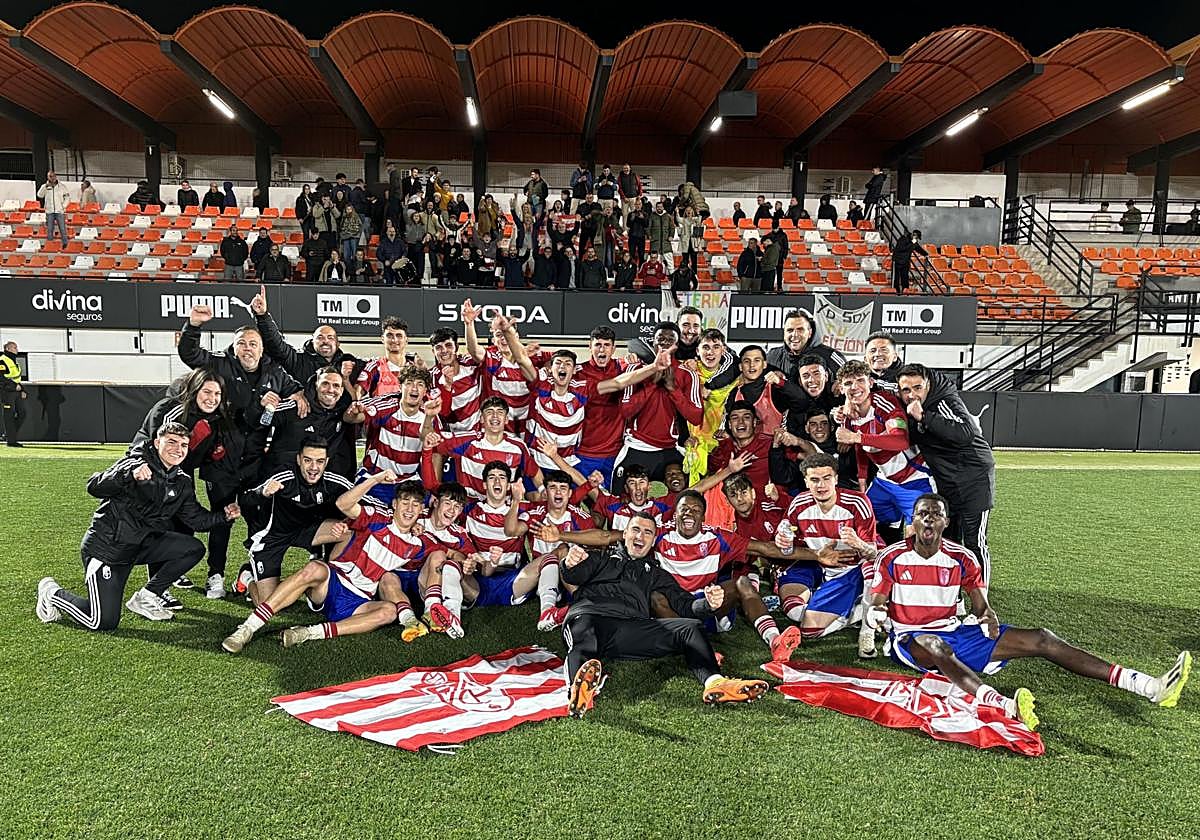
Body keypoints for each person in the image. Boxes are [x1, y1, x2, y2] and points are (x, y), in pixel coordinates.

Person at [867, 494, 1192, 730]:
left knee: (1041, 638)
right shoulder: (891, 557)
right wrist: (876, 615)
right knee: (937, 646)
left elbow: (980, 605)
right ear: (913, 520)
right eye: (922, 513)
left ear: (945, 522)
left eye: (935, 514)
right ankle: (1003, 705)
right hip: (910, 639)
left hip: (954, 632)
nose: (928, 519)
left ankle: (1148, 686)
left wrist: (988, 617)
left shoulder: (962, 558)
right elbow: (879, 601)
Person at [541, 490, 803, 662]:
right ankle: (698, 649)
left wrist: (817, 555)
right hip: (674, 609)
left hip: (708, 605)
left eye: (695, 510)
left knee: (742, 583)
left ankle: (775, 641)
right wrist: (561, 535)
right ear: (674, 513)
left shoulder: (718, 537)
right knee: (655, 596)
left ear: (703, 516)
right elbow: (607, 536)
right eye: (684, 510)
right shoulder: (658, 534)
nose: (689, 514)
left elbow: (765, 549)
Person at [558, 513, 772, 718]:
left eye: (648, 533)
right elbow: (574, 574)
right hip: (590, 616)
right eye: (635, 530)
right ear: (624, 534)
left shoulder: (656, 573)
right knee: (586, 635)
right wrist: (569, 563)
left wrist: (707, 604)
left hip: (630, 628)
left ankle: (716, 682)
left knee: (690, 627)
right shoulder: (601, 558)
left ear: (653, 541)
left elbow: (686, 605)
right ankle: (578, 690)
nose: (640, 536)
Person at [36, 423, 241, 630]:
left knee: (193, 548)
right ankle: (51, 593)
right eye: (171, 442)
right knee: (101, 621)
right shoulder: (135, 462)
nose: (178, 449)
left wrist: (224, 516)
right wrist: (128, 475)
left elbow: (196, 519)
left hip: (140, 546)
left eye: (184, 445)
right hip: (108, 550)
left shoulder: (181, 482)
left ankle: (147, 596)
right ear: (157, 442)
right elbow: (94, 486)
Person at [220, 476, 447, 653]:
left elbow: (447, 554)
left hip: (359, 600)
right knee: (315, 568)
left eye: (415, 505)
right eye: (405, 502)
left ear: (421, 510)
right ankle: (246, 629)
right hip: (333, 583)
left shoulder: (419, 542)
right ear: (395, 504)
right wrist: (376, 479)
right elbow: (343, 503)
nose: (409, 509)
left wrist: (465, 562)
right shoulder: (377, 517)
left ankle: (308, 633)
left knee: (389, 612)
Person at [177, 305, 304, 599]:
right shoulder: (221, 364)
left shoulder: (275, 372)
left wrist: (298, 394)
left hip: (255, 465)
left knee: (257, 521)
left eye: (253, 343)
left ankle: (252, 573)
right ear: (234, 348)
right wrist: (193, 326)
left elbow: (296, 389)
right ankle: (215, 575)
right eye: (242, 343)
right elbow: (190, 355)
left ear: (262, 349)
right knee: (221, 520)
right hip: (220, 462)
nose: (248, 348)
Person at [896, 363, 996, 587]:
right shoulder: (906, 406)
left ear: (928, 385)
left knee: (974, 542)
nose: (912, 395)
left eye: (918, 388)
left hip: (974, 479)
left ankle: (981, 598)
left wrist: (924, 417)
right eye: (906, 390)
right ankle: (953, 596)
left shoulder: (943, 401)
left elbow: (966, 432)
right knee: (949, 540)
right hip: (946, 483)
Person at [776, 453, 880, 656]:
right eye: (814, 479)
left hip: (850, 569)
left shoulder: (857, 502)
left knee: (809, 630)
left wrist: (858, 543)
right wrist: (783, 540)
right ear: (806, 482)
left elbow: (873, 553)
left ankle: (867, 624)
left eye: (826, 478)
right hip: (817, 563)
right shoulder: (799, 504)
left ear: (836, 479)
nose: (821, 485)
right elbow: (785, 537)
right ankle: (852, 606)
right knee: (793, 611)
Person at [240, 437, 355, 604]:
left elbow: (362, 498)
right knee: (268, 603)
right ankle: (247, 577)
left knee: (348, 532)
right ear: (299, 459)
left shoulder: (333, 479)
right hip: (273, 536)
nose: (314, 467)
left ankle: (327, 582)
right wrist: (263, 492)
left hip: (307, 530)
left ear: (326, 462)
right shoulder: (283, 475)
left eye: (320, 461)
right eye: (308, 460)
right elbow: (246, 497)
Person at [834, 360, 934, 536]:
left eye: (860, 380)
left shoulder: (884, 403)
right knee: (863, 520)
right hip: (884, 481)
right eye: (848, 383)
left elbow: (900, 440)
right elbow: (860, 448)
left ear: (870, 382)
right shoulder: (848, 415)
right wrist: (862, 479)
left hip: (914, 478)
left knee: (918, 535)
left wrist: (856, 437)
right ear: (841, 388)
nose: (854, 387)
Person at [613, 322, 702, 495]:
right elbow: (626, 410)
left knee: (684, 499)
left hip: (669, 450)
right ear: (653, 342)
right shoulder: (635, 369)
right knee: (619, 500)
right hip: (637, 447)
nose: (665, 342)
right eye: (660, 338)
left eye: (670, 339)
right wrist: (652, 384)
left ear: (677, 344)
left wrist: (673, 389)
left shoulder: (687, 373)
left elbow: (696, 417)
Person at [424, 396, 544, 502]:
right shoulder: (466, 441)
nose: (495, 416)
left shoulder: (518, 447)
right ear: (481, 418)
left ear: (506, 419)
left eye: (500, 412)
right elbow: (429, 439)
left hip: (502, 510)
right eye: (489, 412)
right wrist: (429, 417)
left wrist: (543, 490)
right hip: (469, 509)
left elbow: (534, 472)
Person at [573, 327, 628, 486]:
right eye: (597, 345)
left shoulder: (623, 369)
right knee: (580, 497)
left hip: (615, 453)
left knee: (612, 499)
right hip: (584, 452)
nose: (602, 350)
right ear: (590, 347)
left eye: (606, 345)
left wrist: (635, 360)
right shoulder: (578, 372)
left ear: (613, 348)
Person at [766, 309, 846, 382]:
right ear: (784, 333)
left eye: (800, 330)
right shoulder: (773, 356)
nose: (795, 334)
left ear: (810, 333)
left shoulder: (830, 356)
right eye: (790, 330)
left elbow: (849, 380)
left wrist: (839, 384)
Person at [354, 316, 415, 398]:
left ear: (406, 340)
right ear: (382, 339)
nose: (394, 340)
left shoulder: (415, 368)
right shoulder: (374, 367)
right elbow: (357, 394)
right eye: (389, 335)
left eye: (399, 335)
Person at [1, 341, 26, 447]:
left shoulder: (14, 361)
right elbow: (1, 378)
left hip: (16, 391)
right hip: (7, 392)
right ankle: (11, 441)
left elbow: (16, 378)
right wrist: (13, 386)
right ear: (8, 349)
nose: (17, 350)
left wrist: (22, 389)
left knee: (22, 414)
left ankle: (8, 435)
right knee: (9, 416)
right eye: (14, 348)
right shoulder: (2, 360)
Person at [37, 170, 71, 246]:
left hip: (60, 211)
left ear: (55, 176)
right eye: (50, 176)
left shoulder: (62, 186)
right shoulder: (44, 186)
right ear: (48, 177)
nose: (52, 178)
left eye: (53, 176)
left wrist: (63, 206)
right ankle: (50, 245)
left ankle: (65, 245)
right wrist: (45, 187)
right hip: (49, 212)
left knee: (62, 229)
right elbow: (39, 195)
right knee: (49, 230)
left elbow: (67, 197)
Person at [892, 229, 926, 293]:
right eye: (916, 237)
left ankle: (905, 291)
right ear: (913, 235)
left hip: (906, 261)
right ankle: (896, 292)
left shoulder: (913, 242)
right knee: (896, 278)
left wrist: (926, 254)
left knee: (905, 278)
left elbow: (918, 249)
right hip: (898, 261)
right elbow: (902, 249)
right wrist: (911, 243)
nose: (916, 239)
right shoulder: (903, 239)